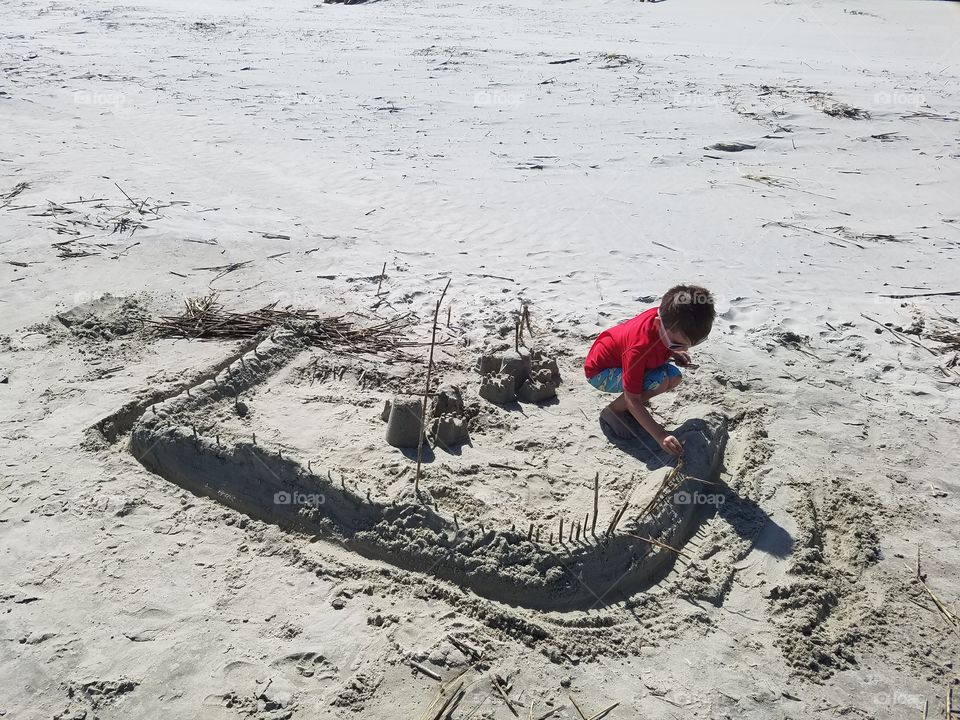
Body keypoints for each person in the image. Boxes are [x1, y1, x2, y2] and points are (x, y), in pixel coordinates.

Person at [583, 285, 715, 455]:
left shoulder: (667, 317)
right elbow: (633, 399)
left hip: (624, 361)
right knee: (659, 381)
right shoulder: (638, 348)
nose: (686, 349)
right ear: (658, 323)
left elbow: (663, 340)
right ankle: (613, 412)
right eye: (677, 343)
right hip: (601, 372)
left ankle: (631, 412)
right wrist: (660, 435)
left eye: (693, 344)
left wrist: (674, 351)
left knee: (674, 377)